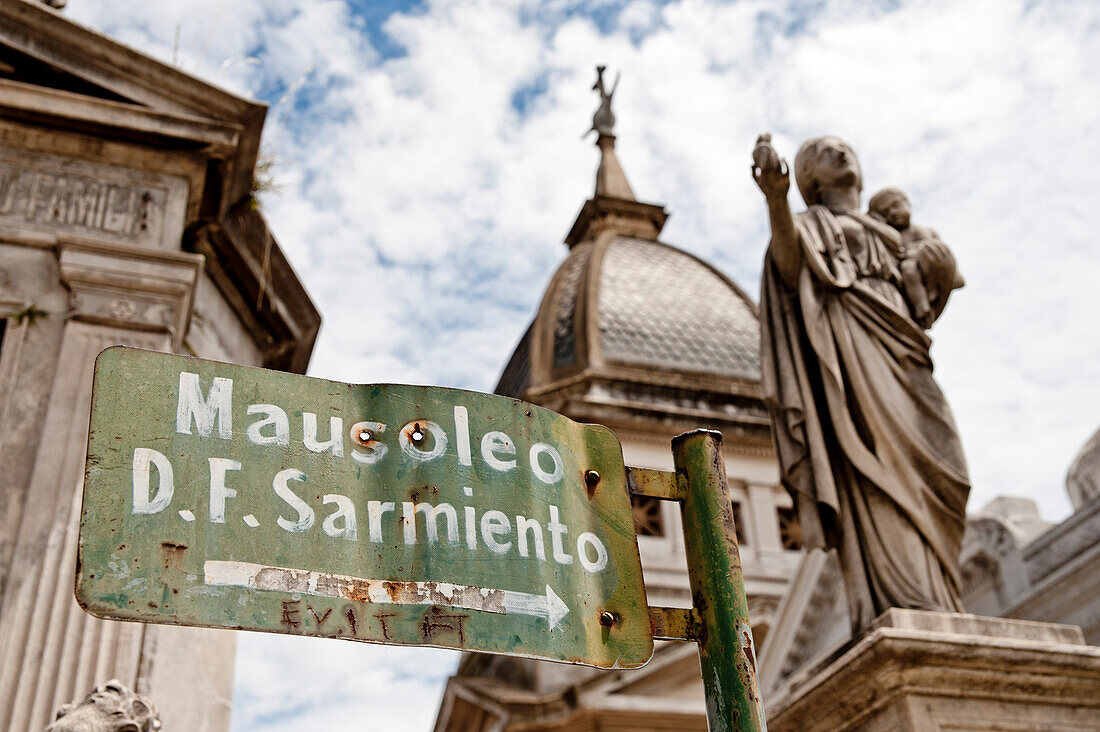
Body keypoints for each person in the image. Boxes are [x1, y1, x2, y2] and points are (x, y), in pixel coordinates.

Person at [751, 134, 971, 633]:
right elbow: (789, 265)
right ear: (811, 178)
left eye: (844, 147)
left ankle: (942, 590)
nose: (841, 153)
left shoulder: (897, 229)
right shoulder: (811, 224)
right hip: (853, 360)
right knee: (878, 470)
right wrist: (775, 198)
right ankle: (906, 596)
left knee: (945, 469)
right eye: (824, 152)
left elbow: (929, 303)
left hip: (906, 355)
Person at [867, 186, 963, 329]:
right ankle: (921, 305)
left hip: (932, 261)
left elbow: (942, 250)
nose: (892, 213)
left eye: (895, 205)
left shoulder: (926, 231)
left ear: (908, 204)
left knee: (933, 253)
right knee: (908, 269)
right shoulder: (894, 236)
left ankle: (933, 288)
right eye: (885, 212)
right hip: (911, 267)